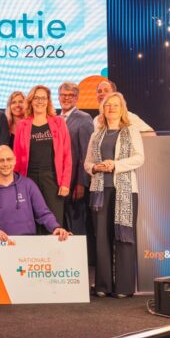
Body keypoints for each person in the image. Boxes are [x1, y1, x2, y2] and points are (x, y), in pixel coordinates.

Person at [85, 92, 145, 298]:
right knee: (101, 237)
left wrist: (115, 165)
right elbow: (87, 163)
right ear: (103, 109)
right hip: (100, 191)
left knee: (123, 236)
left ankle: (124, 287)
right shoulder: (96, 134)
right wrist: (95, 168)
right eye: (107, 105)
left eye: (115, 105)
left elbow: (139, 158)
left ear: (122, 109)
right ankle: (103, 286)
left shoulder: (131, 131)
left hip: (125, 190)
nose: (111, 108)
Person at [0, 146, 70, 241]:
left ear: (15, 160)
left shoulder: (28, 185)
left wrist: (55, 227)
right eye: (1, 160)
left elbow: (43, 213)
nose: (5, 164)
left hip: (28, 243)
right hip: (0, 243)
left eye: (9, 159)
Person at [13, 85, 72, 227]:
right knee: (32, 221)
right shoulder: (22, 125)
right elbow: (16, 157)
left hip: (53, 179)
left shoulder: (59, 122)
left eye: (43, 98)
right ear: (31, 101)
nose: (40, 101)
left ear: (48, 101)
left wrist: (65, 183)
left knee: (54, 221)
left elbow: (67, 155)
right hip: (28, 179)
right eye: (36, 98)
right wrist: (16, 184)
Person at [58, 82, 94, 235]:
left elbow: (86, 153)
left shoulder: (84, 119)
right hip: (59, 180)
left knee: (76, 224)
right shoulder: (55, 119)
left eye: (70, 95)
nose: (66, 98)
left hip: (75, 182)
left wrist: (81, 183)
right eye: (63, 95)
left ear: (77, 98)